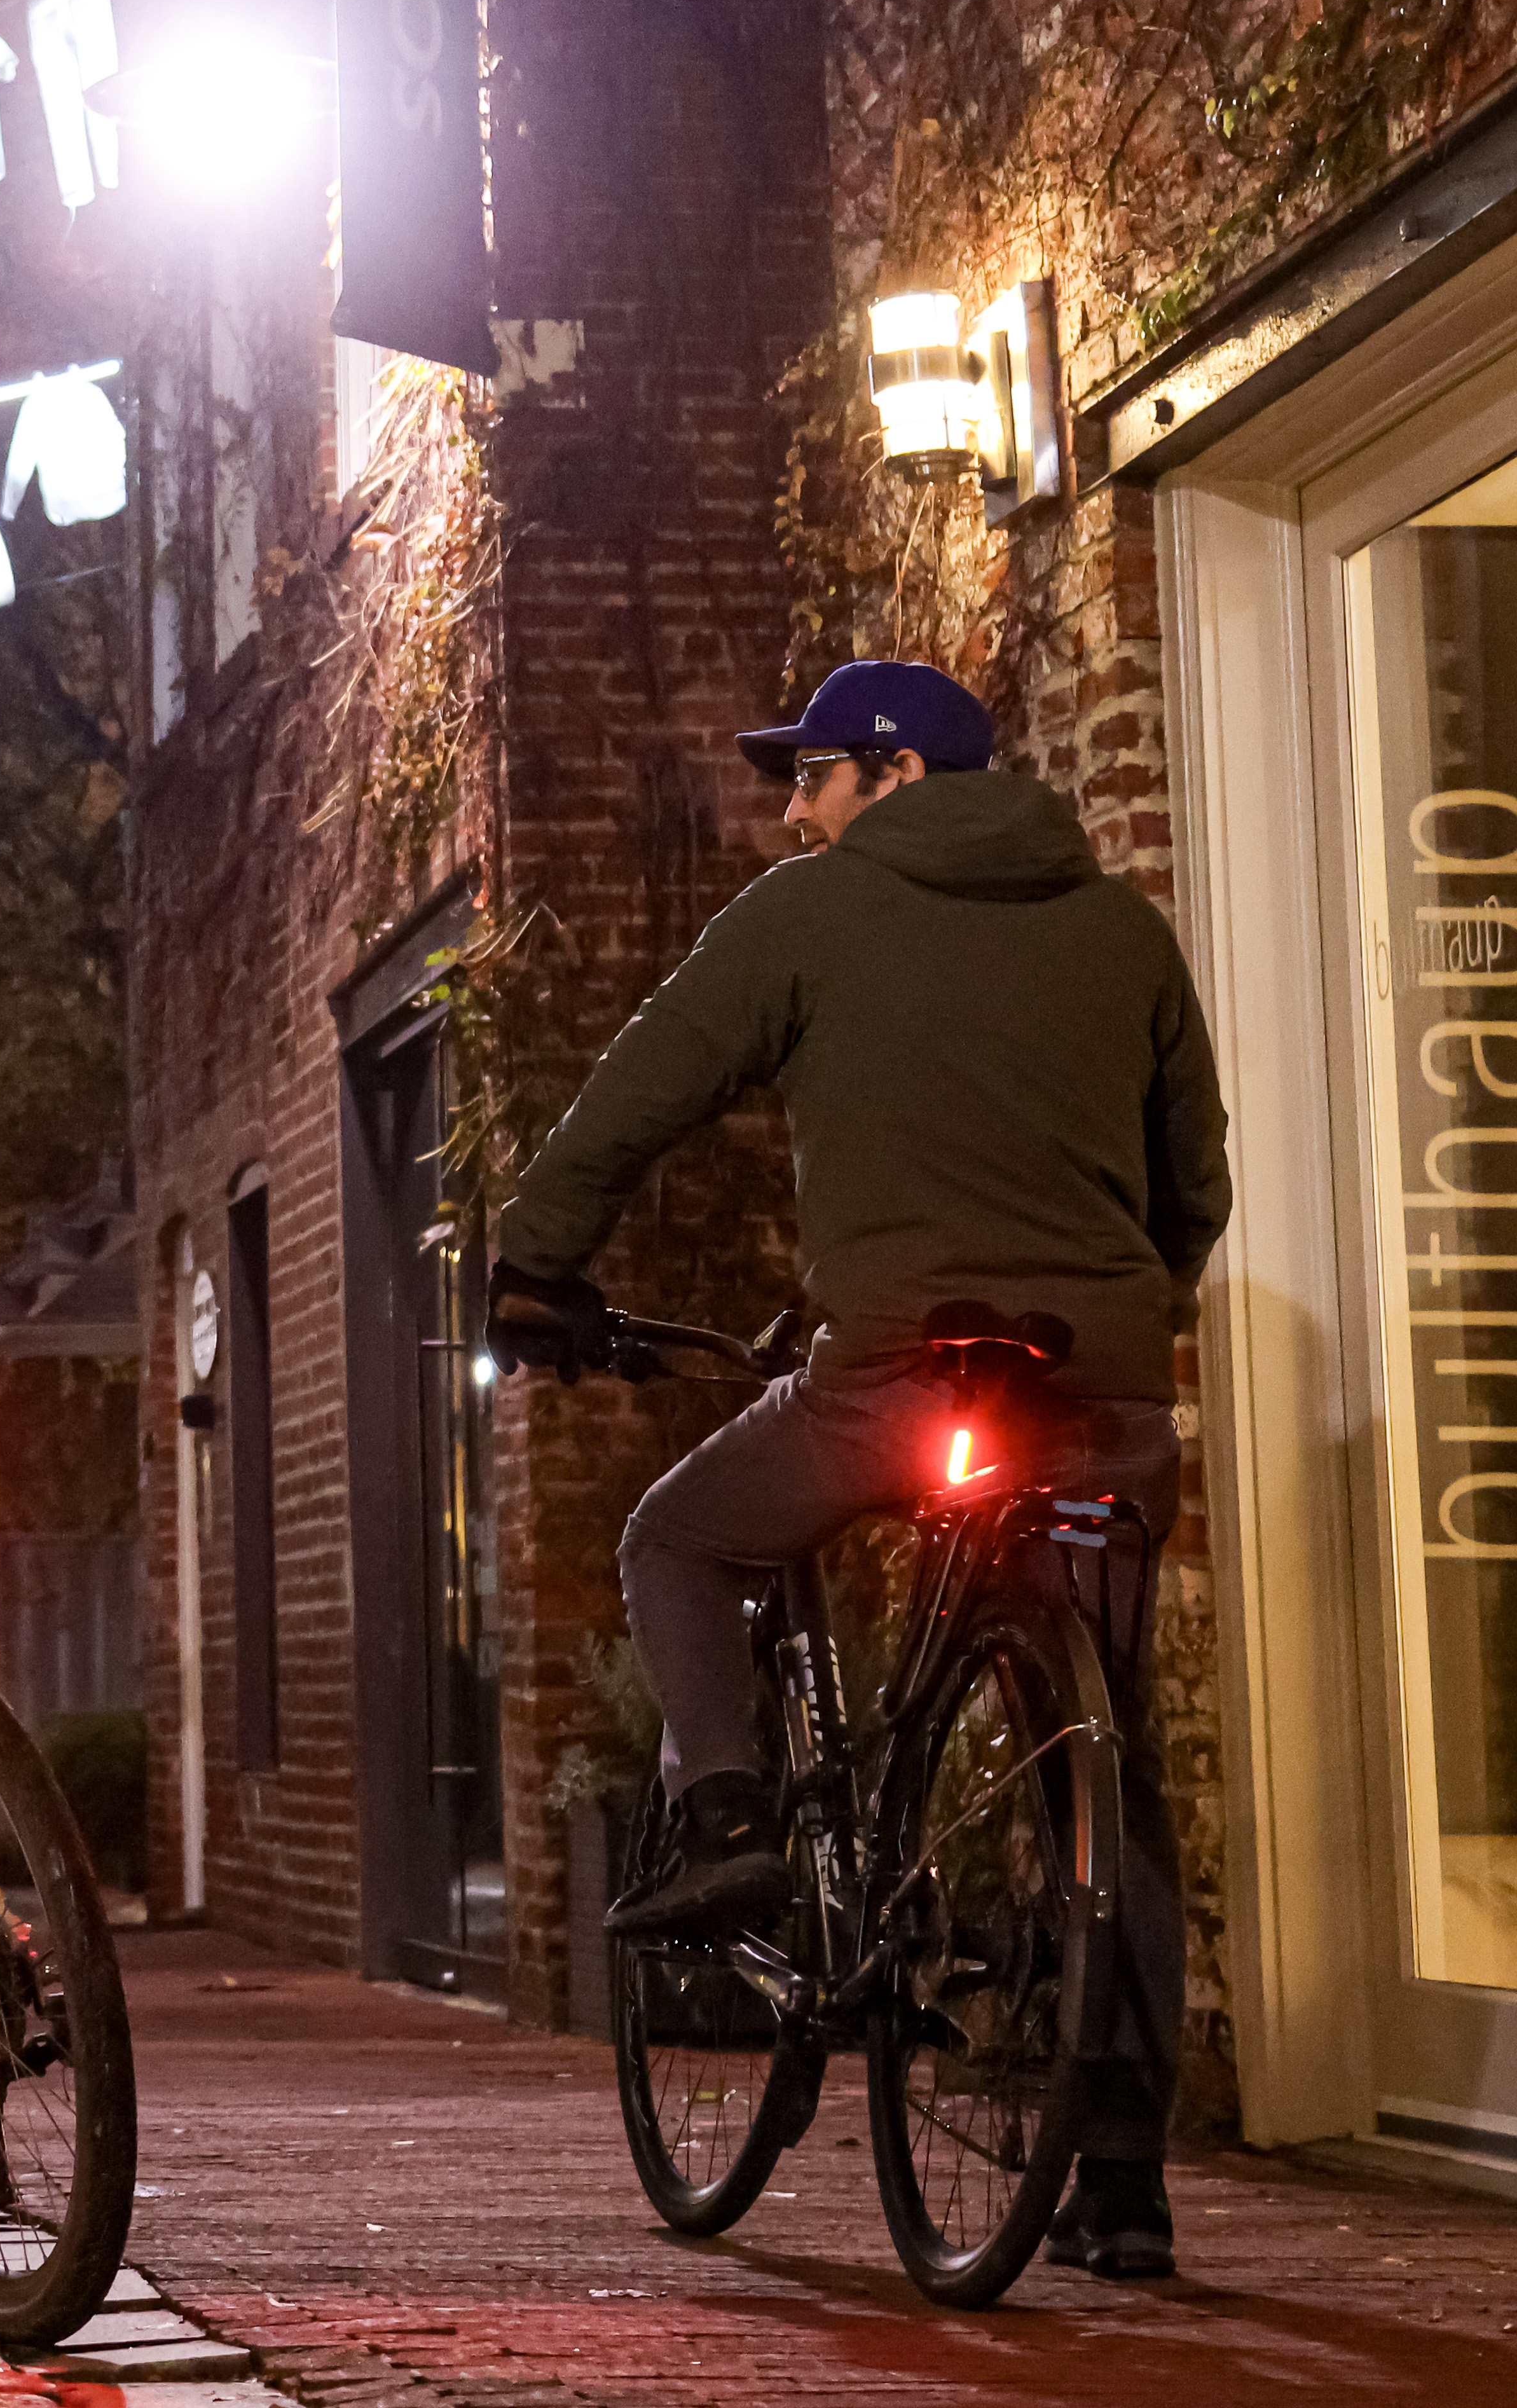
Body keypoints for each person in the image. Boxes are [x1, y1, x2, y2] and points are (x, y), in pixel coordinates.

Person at [486, 659, 1226, 2284]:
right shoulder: (1126, 930)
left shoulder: (809, 914)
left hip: (895, 1375)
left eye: (810, 776)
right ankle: (1120, 2185)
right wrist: (1130, 1315)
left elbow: (641, 1089)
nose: (792, 812)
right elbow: (1194, 1183)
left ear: (896, 773)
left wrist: (533, 1263)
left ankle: (730, 1819)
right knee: (1101, 1759)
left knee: (677, 1538)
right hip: (1093, 1395)